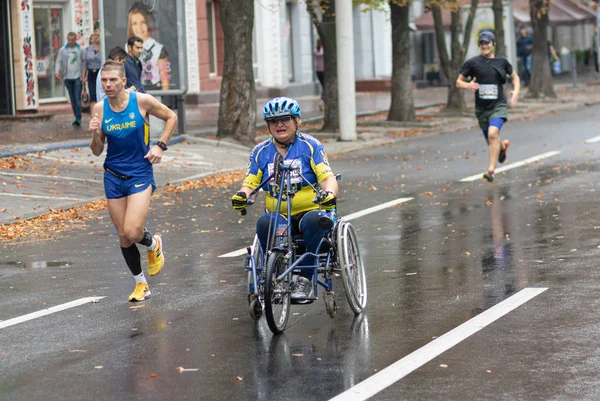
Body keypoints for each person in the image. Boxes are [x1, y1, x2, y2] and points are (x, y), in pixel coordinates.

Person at [231, 97, 338, 302]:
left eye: (285, 119)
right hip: (278, 214)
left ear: (297, 121)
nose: (279, 124)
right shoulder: (260, 151)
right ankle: (274, 274)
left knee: (315, 221)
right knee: (264, 223)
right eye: (273, 121)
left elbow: (327, 178)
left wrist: (329, 195)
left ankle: (304, 279)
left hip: (309, 212)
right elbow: (251, 182)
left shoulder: (311, 146)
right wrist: (243, 195)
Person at [88, 60, 177, 302]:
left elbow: (171, 117)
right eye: (104, 80)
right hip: (113, 176)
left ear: (123, 81)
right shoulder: (99, 109)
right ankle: (141, 284)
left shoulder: (141, 101)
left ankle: (152, 243)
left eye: (112, 80)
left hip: (140, 172)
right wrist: (95, 133)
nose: (108, 84)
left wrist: (160, 145)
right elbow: (97, 150)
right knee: (123, 235)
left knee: (133, 229)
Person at [456, 31, 520, 183]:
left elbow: (515, 77)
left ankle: (491, 171)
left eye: (487, 43)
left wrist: (515, 92)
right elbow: (458, 82)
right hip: (482, 109)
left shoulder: (501, 62)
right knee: (491, 140)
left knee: (493, 134)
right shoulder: (473, 63)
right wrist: (468, 85)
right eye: (482, 43)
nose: (485, 46)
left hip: (498, 105)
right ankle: (503, 147)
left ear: (493, 44)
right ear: (479, 45)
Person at [127, 2, 170, 90]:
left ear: (149, 23)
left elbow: (165, 81)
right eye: (134, 23)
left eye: (143, 22)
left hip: (154, 92)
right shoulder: (127, 48)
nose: (139, 27)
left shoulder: (158, 49)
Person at [55, 32, 86, 126]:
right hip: (67, 76)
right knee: (72, 98)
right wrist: (57, 72)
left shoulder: (80, 49)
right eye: (69, 40)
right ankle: (76, 115)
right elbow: (58, 61)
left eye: (72, 40)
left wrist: (84, 75)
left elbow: (84, 62)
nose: (71, 42)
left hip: (78, 77)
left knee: (77, 97)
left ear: (75, 40)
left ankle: (78, 118)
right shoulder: (63, 50)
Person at [83, 33, 102, 112]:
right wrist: (83, 76)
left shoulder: (103, 47)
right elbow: (85, 63)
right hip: (91, 72)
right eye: (94, 36)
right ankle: (94, 115)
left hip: (100, 72)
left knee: (100, 93)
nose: (96, 37)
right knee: (92, 94)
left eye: (98, 36)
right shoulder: (88, 49)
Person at [314, 38, 325, 111]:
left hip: (318, 71)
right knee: (325, 88)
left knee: (323, 87)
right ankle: (322, 101)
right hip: (324, 71)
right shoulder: (323, 50)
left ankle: (322, 102)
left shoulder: (315, 50)